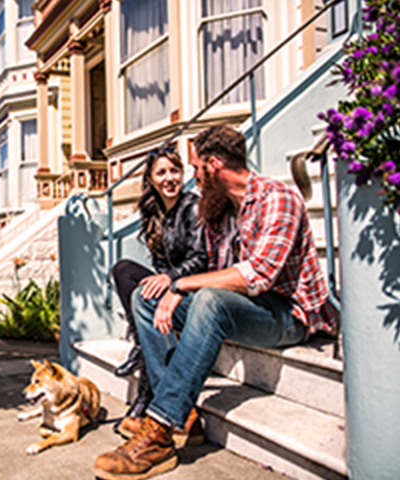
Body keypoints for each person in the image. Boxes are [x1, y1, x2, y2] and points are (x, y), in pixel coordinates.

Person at [94, 126, 339, 480]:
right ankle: (185, 413)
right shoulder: (220, 210)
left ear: (213, 164)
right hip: (242, 307)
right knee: (145, 299)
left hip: (288, 314)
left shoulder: (278, 198)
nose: (191, 176)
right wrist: (173, 290)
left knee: (208, 299)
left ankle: (160, 428)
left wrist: (179, 284)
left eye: (194, 168)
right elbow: (215, 270)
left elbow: (258, 275)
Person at [111, 147, 207, 438]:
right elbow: (159, 263)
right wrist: (163, 280)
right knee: (123, 270)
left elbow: (201, 258)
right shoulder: (153, 212)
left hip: (192, 285)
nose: (170, 178)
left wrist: (171, 279)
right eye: (162, 172)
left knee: (144, 295)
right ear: (151, 179)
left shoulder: (193, 206)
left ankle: (147, 400)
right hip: (169, 281)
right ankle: (143, 344)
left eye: (174, 171)